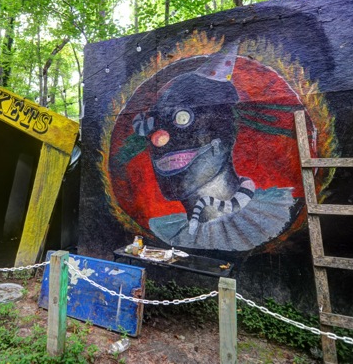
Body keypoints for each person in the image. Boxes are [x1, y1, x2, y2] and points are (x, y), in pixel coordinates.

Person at [133, 43, 310, 251]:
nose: (159, 139)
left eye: (182, 118)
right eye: (153, 126)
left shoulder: (277, 214)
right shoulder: (169, 231)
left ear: (225, 138)